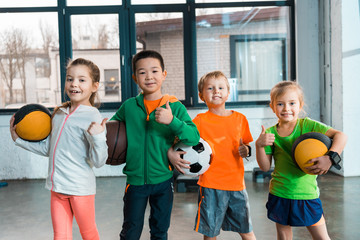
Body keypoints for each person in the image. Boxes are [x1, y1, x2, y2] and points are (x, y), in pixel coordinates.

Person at [9, 58, 108, 240]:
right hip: (57, 188)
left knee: (89, 234)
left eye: (81, 80)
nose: (74, 84)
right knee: (60, 236)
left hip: (80, 189)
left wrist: (98, 137)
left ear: (94, 86)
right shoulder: (59, 113)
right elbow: (49, 148)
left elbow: (99, 161)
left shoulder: (93, 116)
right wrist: (18, 140)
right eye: (70, 79)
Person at [110, 50, 200, 240]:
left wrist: (172, 121)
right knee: (130, 231)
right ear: (135, 78)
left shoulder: (174, 107)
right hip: (135, 181)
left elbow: (193, 137)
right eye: (142, 72)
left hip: (163, 181)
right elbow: (111, 131)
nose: (149, 77)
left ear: (164, 74)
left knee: (160, 231)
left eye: (154, 71)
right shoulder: (129, 106)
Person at [168, 71, 256, 240]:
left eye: (221, 87)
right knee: (210, 232)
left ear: (228, 93)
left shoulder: (240, 119)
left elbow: (248, 146)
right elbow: (180, 141)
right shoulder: (199, 121)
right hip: (210, 186)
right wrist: (172, 151)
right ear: (201, 95)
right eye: (210, 88)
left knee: (246, 230)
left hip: (237, 185)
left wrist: (248, 150)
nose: (216, 91)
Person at [255, 81, 347, 240]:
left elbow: (341, 136)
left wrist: (330, 158)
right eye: (280, 104)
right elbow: (264, 167)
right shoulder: (269, 134)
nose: (286, 109)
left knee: (322, 237)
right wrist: (259, 146)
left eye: (292, 103)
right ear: (272, 107)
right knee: (284, 236)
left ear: (300, 105)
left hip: (307, 194)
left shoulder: (308, 125)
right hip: (280, 192)